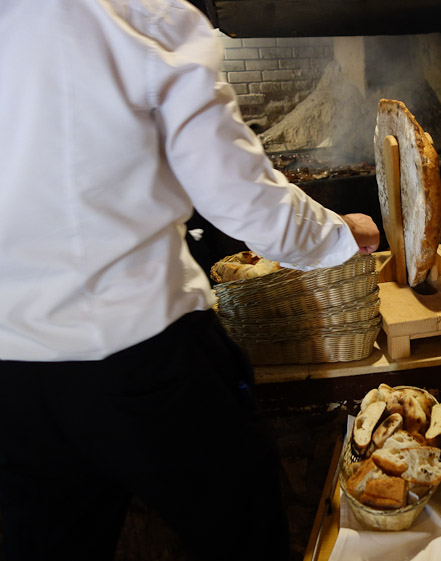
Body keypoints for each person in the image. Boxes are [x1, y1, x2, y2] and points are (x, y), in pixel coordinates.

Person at [0, 1, 379, 560]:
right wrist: (338, 234)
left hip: (15, 377)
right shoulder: (140, 13)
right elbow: (238, 195)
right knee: (245, 534)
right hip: (143, 358)